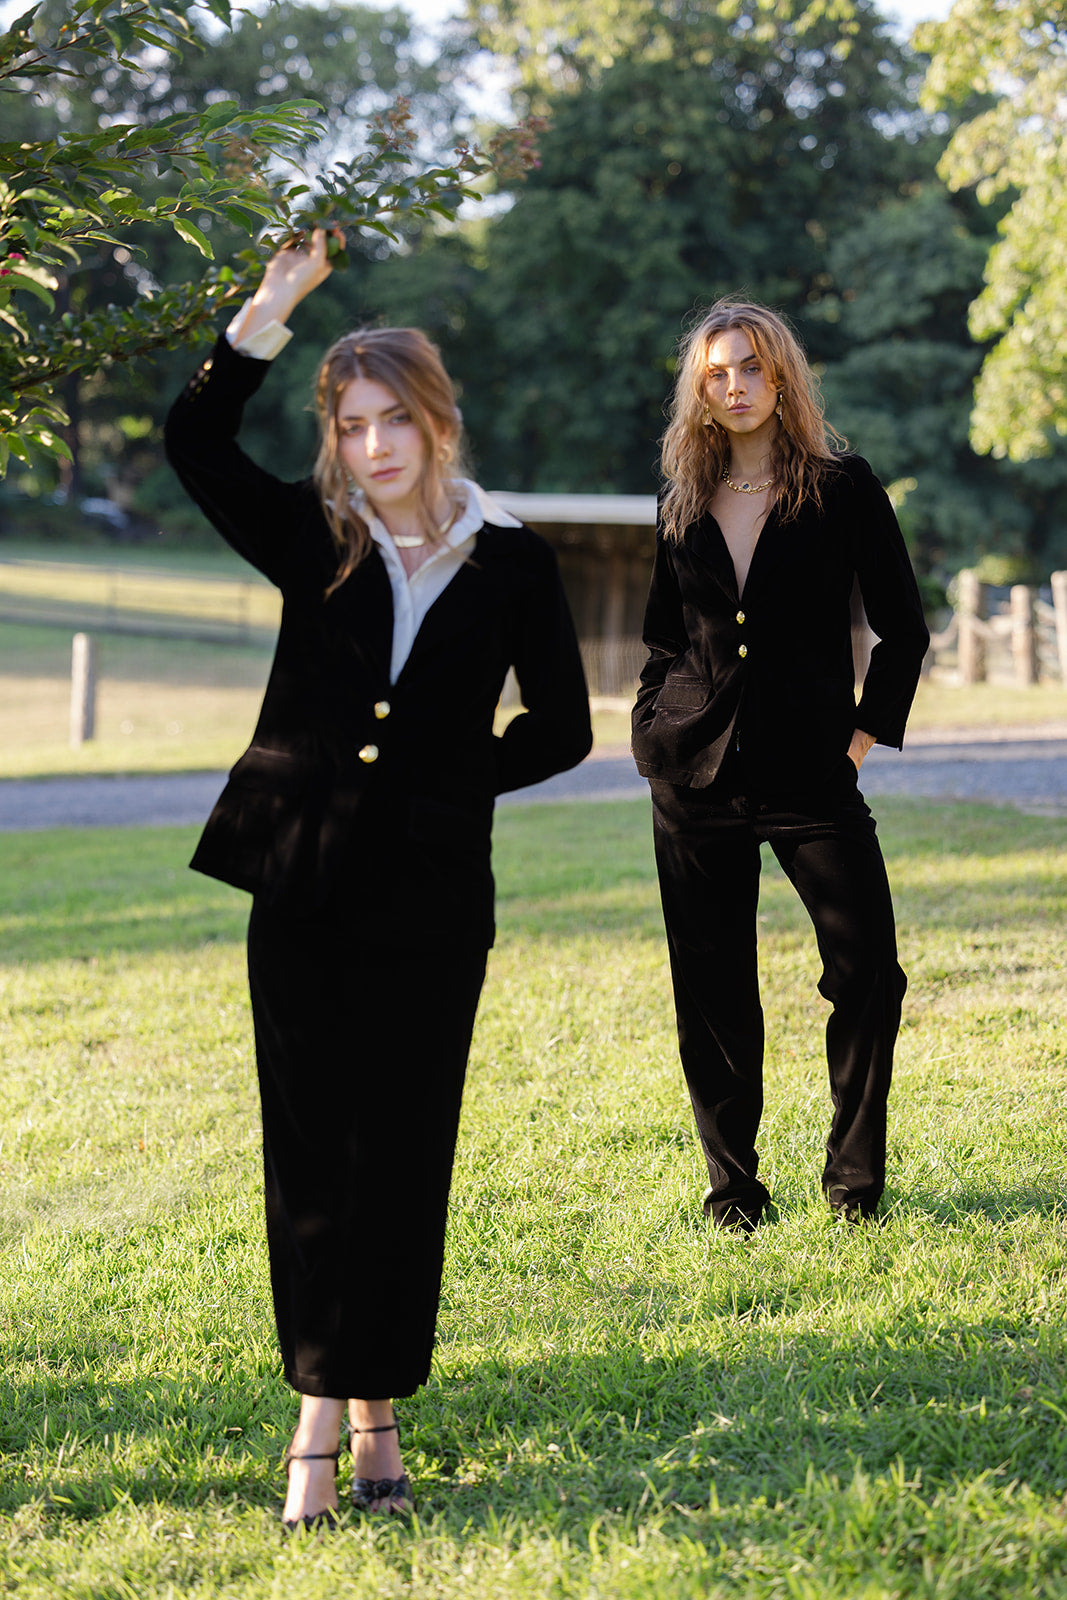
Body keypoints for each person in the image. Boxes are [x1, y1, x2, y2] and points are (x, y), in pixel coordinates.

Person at [164, 230, 592, 1528]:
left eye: (390, 419)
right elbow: (194, 446)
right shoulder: (312, 538)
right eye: (348, 425)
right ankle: (320, 1421)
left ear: (433, 421)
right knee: (311, 1157)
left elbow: (562, 728)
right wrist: (268, 308)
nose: (371, 446)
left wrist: (445, 792)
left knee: (401, 1156)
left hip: (428, 906)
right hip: (295, 885)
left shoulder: (510, 560)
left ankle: (380, 1409)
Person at [631, 299, 929, 1233]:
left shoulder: (842, 487)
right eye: (716, 372)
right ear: (700, 389)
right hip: (694, 775)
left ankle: (852, 1184)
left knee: (868, 973)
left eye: (750, 367)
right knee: (712, 990)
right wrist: (654, 727)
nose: (734, 385)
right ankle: (733, 1193)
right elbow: (663, 635)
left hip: (809, 775)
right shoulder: (679, 494)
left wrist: (856, 740)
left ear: (782, 376)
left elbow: (903, 630)